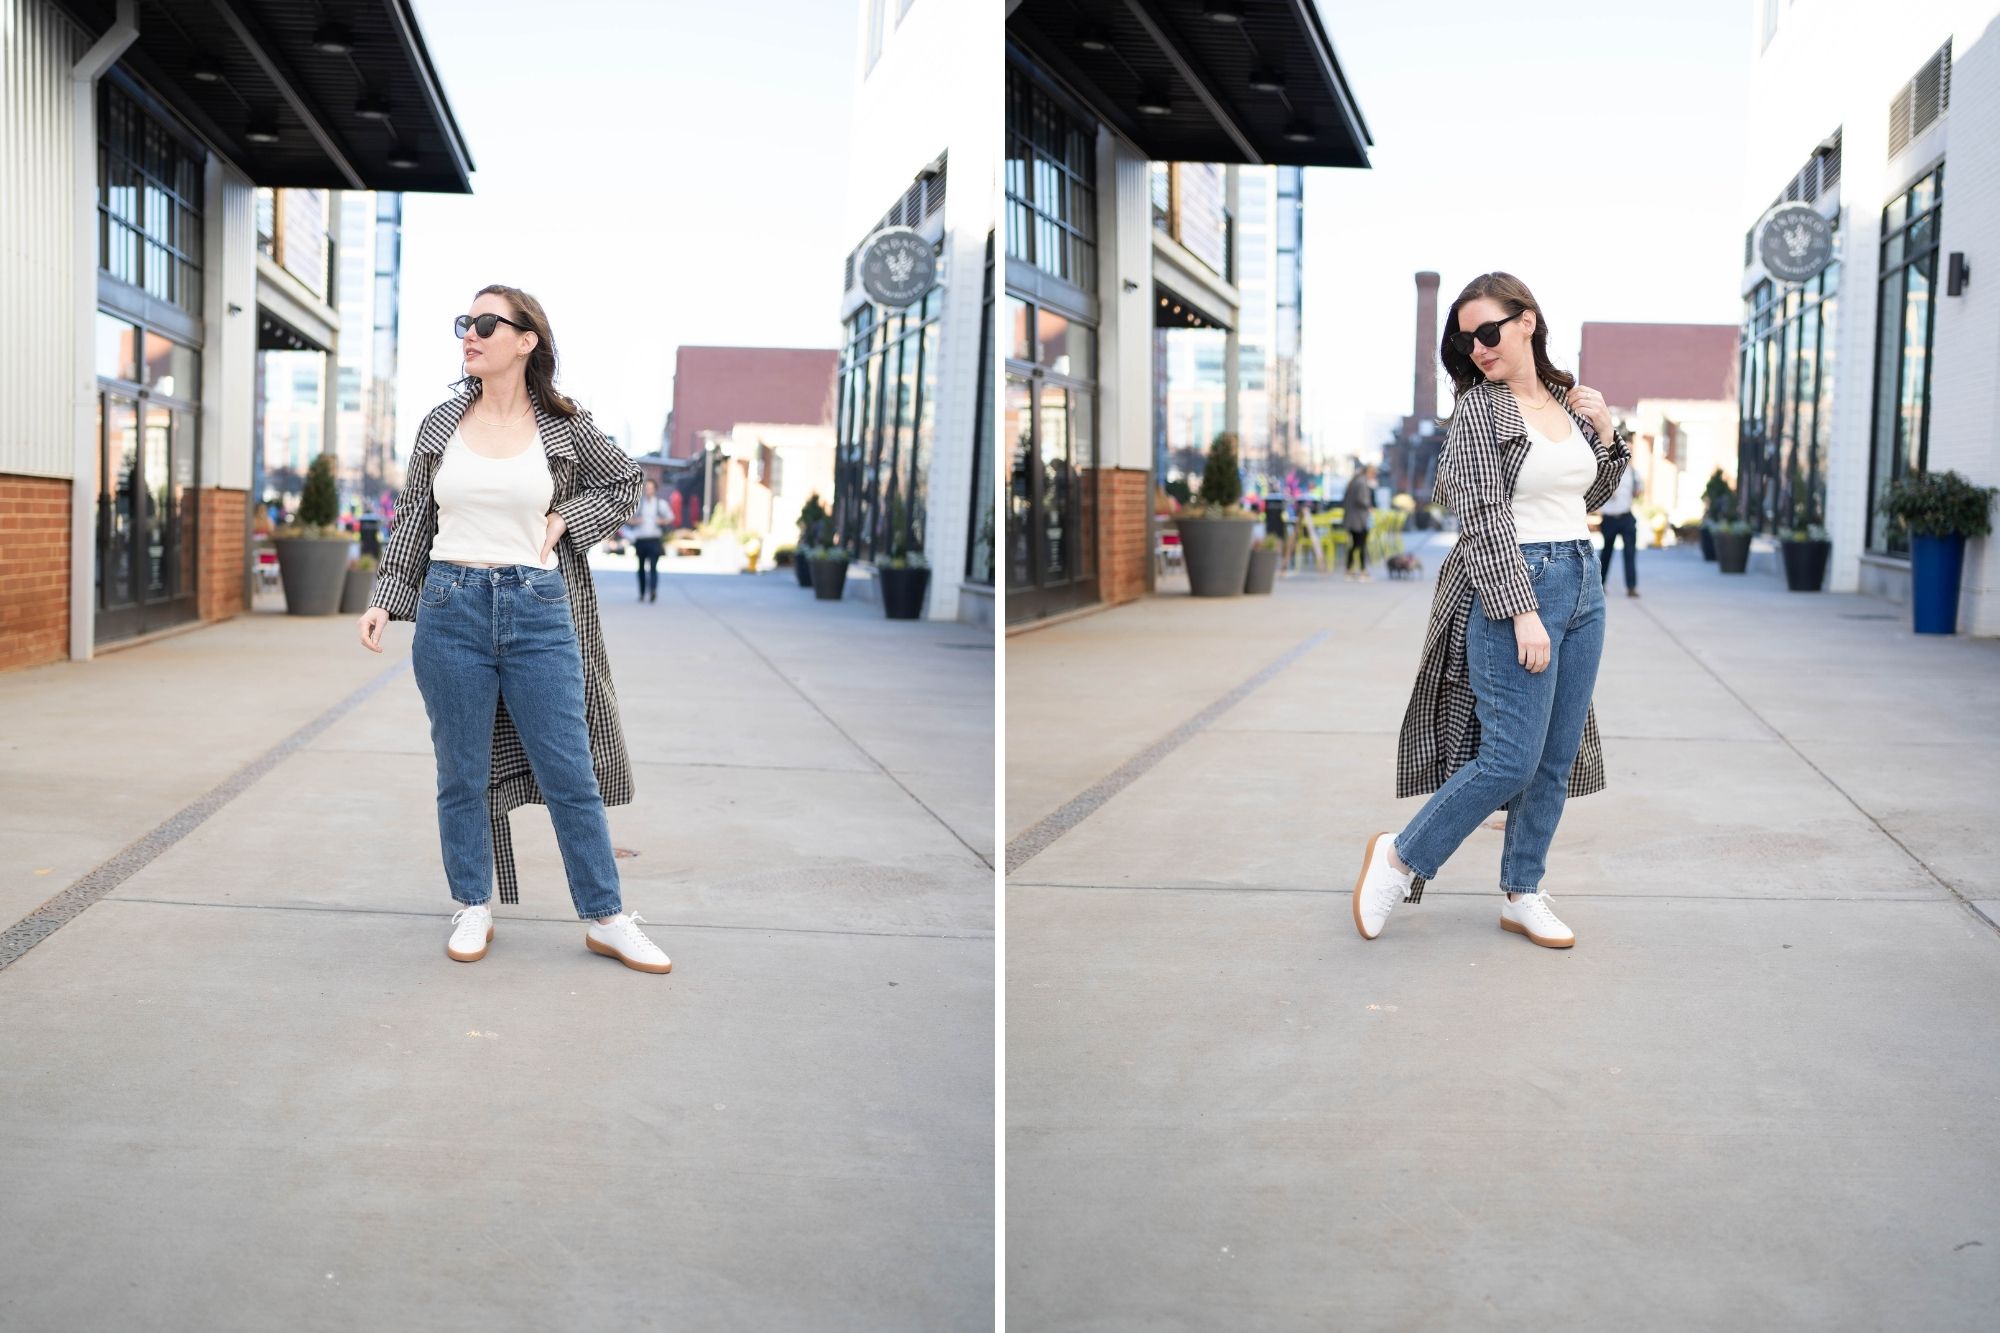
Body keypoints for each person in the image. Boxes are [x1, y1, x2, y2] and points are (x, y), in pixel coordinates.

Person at [354, 284, 669, 975]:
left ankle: (606, 916)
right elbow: (413, 517)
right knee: (460, 770)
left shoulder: (564, 424)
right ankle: (472, 902)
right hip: (449, 606)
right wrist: (387, 596)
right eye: (465, 322)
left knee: (570, 771)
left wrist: (566, 522)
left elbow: (624, 482)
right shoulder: (440, 424)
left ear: (526, 340)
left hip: (537, 609)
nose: (470, 333)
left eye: (487, 323)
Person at [1354, 271, 1631, 950]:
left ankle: (1523, 890)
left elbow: (1589, 494)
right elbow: (1480, 514)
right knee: (1510, 756)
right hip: (1516, 583)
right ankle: (1399, 856)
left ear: (1526, 321)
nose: (1477, 348)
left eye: (1488, 332)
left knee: (1555, 756)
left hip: (1582, 580)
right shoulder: (1481, 410)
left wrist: (1606, 431)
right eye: (1466, 339)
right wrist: (1521, 611)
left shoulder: (1565, 402)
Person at [1597, 460, 1642, 597]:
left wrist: (1637, 492)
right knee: (1606, 553)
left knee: (1630, 553)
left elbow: (1638, 491)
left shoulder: (1633, 473)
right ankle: (1600, 585)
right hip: (1609, 518)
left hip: (1626, 516)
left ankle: (1631, 587)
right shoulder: (1606, 470)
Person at [625, 479, 669, 602]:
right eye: (647, 488)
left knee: (654, 567)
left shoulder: (661, 504)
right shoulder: (639, 504)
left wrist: (662, 521)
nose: (648, 490)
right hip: (641, 539)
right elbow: (628, 518)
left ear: (655, 489)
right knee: (641, 567)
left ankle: (653, 591)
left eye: (651, 488)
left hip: (654, 539)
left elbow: (670, 518)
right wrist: (636, 521)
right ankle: (642, 592)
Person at [1342, 463, 1377, 581]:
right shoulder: (1362, 483)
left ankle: (1349, 570)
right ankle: (1362, 571)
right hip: (1359, 519)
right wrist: (1369, 506)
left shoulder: (1355, 481)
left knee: (1355, 544)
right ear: (1369, 472)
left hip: (1352, 518)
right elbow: (1362, 500)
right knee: (1361, 544)